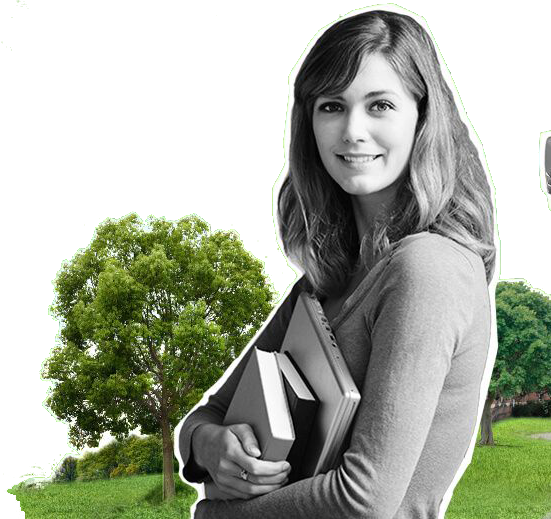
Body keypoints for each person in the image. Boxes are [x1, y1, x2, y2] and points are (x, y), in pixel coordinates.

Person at [174, 7, 497, 518]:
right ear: (310, 124)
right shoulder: (325, 281)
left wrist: (213, 515)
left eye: (380, 105)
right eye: (331, 106)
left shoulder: (426, 270)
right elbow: (204, 416)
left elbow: (363, 502)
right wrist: (212, 446)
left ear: (423, 115)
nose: (352, 131)